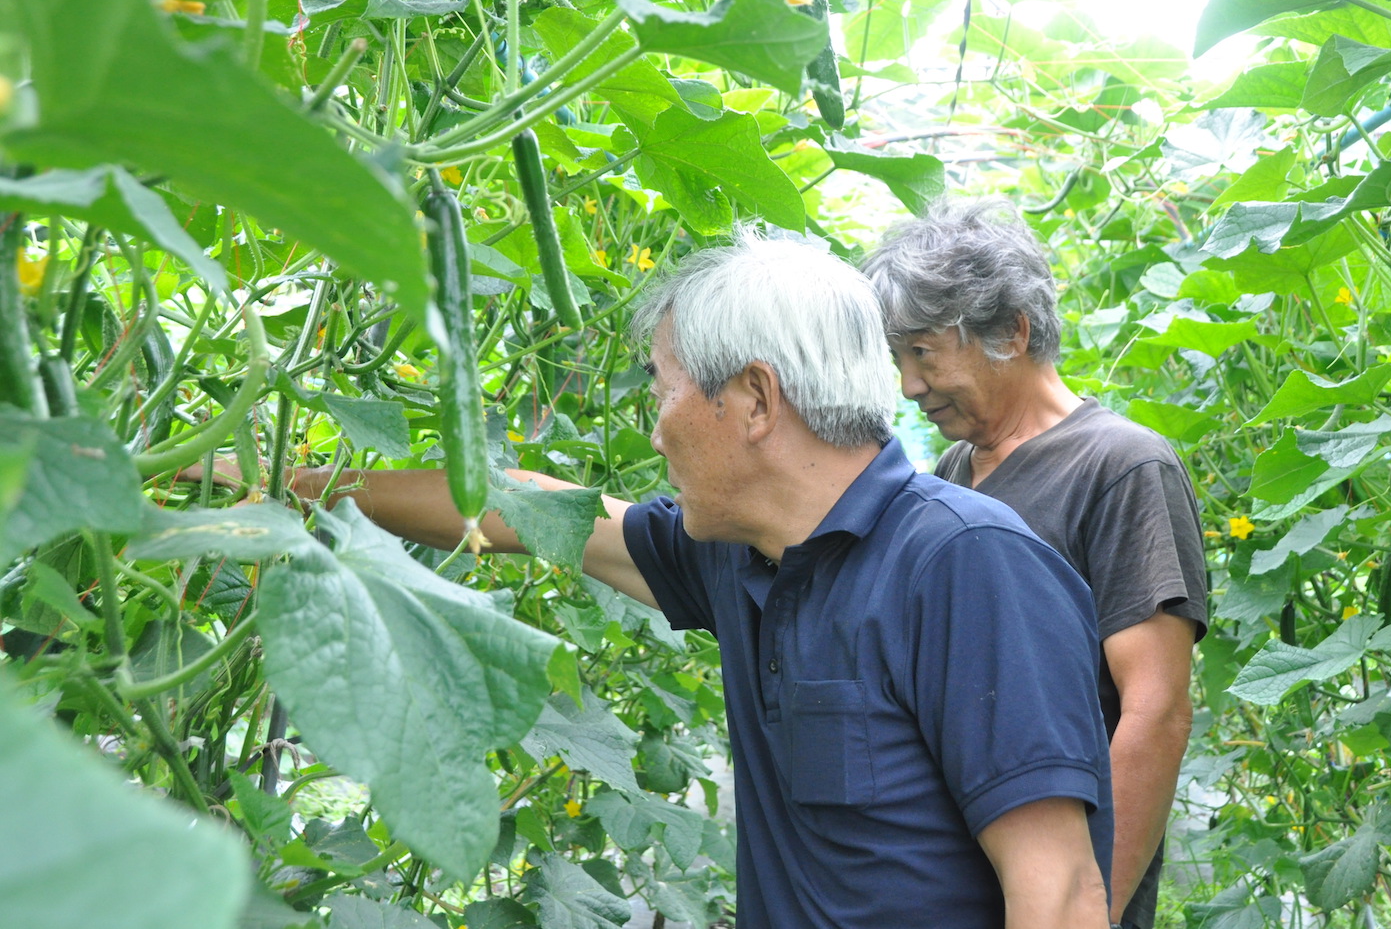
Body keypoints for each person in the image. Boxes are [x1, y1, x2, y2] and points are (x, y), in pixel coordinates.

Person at [279, 230, 1114, 929]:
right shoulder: (739, 552)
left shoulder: (967, 564)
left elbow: (1061, 890)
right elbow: (526, 511)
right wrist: (297, 489)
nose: (653, 426)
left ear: (755, 398)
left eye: (663, 386)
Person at [863, 199, 1208, 929]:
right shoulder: (955, 472)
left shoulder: (1121, 465)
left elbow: (1156, 711)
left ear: (1011, 333)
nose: (909, 386)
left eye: (924, 353)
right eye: (900, 359)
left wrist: (1090, 908)